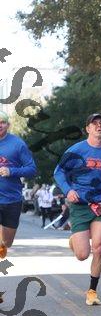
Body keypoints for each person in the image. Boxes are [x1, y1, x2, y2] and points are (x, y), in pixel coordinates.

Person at [54, 113, 101, 306]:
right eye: (94, 124)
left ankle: (92, 291)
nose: (98, 126)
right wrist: (68, 190)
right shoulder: (76, 150)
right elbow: (59, 172)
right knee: (82, 255)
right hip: (79, 205)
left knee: (99, 246)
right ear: (87, 129)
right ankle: (74, 241)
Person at [0, 110, 37, 263]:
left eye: (2, 122)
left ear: (8, 125)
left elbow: (32, 169)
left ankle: (2, 245)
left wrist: (11, 171)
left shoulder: (17, 144)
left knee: (6, 242)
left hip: (12, 199)